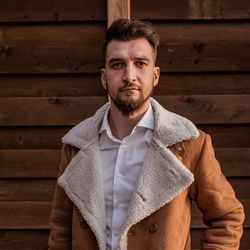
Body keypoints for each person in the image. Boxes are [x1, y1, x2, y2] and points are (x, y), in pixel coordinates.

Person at [48, 19, 244, 250]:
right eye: (117, 64)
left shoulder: (189, 144)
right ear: (104, 77)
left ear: (155, 75)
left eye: (140, 63)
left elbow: (227, 217)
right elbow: (60, 228)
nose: (129, 75)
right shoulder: (77, 145)